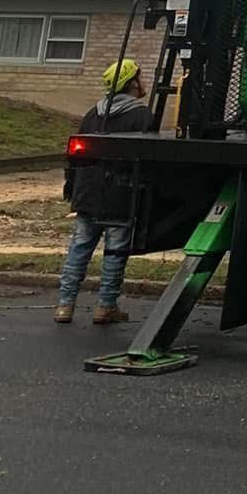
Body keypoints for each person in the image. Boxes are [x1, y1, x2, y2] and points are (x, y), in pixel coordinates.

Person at [55, 58, 153, 327]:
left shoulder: (93, 113)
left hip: (87, 194)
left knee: (79, 248)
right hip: (120, 196)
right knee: (115, 251)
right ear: (132, 83)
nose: (142, 83)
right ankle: (106, 306)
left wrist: (72, 188)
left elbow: (75, 158)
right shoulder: (141, 115)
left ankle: (65, 305)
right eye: (139, 78)